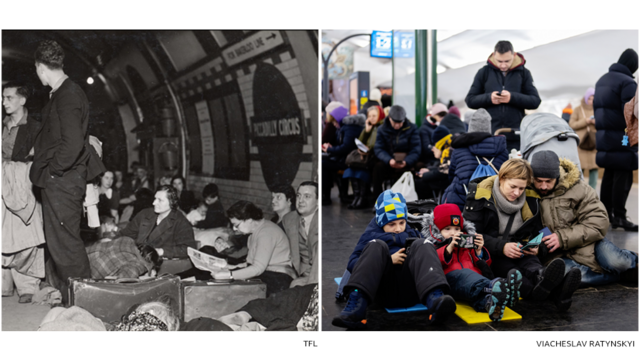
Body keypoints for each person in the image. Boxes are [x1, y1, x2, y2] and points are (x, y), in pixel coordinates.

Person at [29, 40, 105, 303]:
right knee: (62, 244)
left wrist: (54, 171)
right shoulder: (64, 92)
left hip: (62, 180)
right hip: (62, 179)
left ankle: (85, 304)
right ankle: (72, 299)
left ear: (41, 68)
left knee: (67, 246)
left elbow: (72, 143)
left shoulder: (68, 94)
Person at [332, 190, 456, 329]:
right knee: (376, 245)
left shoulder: (412, 232)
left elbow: (428, 259)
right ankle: (356, 310)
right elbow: (353, 263)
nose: (398, 229)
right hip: (382, 291)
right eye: (392, 224)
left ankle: (435, 300)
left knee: (424, 244)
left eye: (402, 222)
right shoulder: (370, 235)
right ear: (381, 222)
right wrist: (387, 261)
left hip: (410, 290)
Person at [462, 159, 571, 308]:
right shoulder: (479, 196)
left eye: (522, 188)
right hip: (492, 254)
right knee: (513, 273)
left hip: (522, 249)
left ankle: (544, 280)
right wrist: (502, 247)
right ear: (501, 179)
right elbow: (472, 235)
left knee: (534, 267)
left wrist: (539, 247)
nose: (517, 193)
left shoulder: (531, 198)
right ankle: (558, 292)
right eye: (513, 187)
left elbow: (539, 230)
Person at [530, 151, 637, 291]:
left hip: (589, 242)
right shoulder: (525, 191)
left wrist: (562, 237)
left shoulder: (579, 189)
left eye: (548, 181)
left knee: (617, 262)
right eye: (539, 181)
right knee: (570, 277)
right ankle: (619, 276)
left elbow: (599, 222)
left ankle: (632, 259)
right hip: (555, 254)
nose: (543, 186)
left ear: (557, 176)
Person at [423, 204, 522, 321]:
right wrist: (449, 248)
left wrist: (479, 251)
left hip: (473, 284)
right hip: (451, 281)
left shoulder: (467, 241)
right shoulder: (433, 244)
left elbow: (484, 265)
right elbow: (433, 263)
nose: (453, 233)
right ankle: (498, 288)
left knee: (480, 297)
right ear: (437, 230)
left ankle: (493, 304)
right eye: (447, 229)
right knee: (465, 274)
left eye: (457, 229)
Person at [2, 82, 45, 304]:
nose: (4, 102)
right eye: (3, 98)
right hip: (3, 185)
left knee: (27, 237)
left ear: (22, 100)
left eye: (9, 97)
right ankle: (4, 284)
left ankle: (27, 286)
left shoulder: (36, 127)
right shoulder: (2, 125)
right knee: (4, 236)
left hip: (25, 185)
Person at [465, 40, 541, 151]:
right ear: (494, 55)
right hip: (490, 134)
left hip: (514, 134)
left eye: (507, 61)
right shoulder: (483, 72)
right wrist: (489, 98)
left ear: (514, 55)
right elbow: (470, 100)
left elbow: (535, 101)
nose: (503, 65)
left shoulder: (524, 73)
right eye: (499, 61)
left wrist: (512, 98)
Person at [210, 200, 296, 296]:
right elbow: (252, 262)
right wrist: (231, 267)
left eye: (236, 225)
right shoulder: (254, 232)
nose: (234, 229)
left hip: (279, 278)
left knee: (229, 288)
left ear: (249, 220)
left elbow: (257, 268)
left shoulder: (266, 233)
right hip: (268, 273)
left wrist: (229, 275)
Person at [594, 48, 638, 231]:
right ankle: (620, 216)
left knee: (610, 175)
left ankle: (606, 214)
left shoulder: (602, 80)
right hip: (623, 137)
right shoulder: (627, 83)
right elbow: (630, 114)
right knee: (624, 173)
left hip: (604, 137)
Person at [442, 108, 509, 211]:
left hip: (461, 201)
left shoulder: (459, 149)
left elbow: (452, 175)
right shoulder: (502, 150)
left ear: (470, 127)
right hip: (492, 202)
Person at [119, 185, 196, 259]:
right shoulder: (145, 214)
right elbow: (126, 233)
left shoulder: (180, 222)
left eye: (160, 200)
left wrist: (161, 251)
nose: (154, 203)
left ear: (172, 203)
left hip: (158, 262)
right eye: (155, 198)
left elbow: (188, 249)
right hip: (136, 256)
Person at [372, 105, 421, 199]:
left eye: (400, 122)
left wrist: (407, 161)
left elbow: (416, 149)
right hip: (389, 161)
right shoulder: (382, 129)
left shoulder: (412, 128)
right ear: (389, 118)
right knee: (377, 168)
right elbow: (379, 149)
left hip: (407, 161)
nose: (397, 125)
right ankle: (378, 201)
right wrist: (389, 160)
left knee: (420, 166)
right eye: (395, 122)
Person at [343, 105, 385, 209]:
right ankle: (357, 197)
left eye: (374, 115)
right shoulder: (369, 127)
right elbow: (360, 141)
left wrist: (369, 148)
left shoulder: (382, 128)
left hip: (374, 157)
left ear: (380, 115)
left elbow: (379, 144)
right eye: (369, 116)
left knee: (361, 169)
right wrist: (366, 131)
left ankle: (362, 198)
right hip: (365, 156)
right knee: (352, 168)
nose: (371, 118)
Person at [322, 112, 365, 205]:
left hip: (348, 159)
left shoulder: (349, 128)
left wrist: (329, 149)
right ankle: (330, 195)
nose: (334, 124)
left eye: (334, 122)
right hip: (346, 158)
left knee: (323, 164)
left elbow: (346, 147)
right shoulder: (348, 127)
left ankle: (325, 196)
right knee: (324, 163)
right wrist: (331, 147)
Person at [282, 181, 319, 288]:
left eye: (307, 196)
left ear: (318, 201)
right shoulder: (289, 219)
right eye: (299, 196)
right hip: (300, 272)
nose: (301, 201)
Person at [569, 88, 598, 189]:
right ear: (586, 98)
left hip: (594, 143)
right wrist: (585, 121)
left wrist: (596, 122)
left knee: (594, 169)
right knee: (579, 169)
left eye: (594, 98)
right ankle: (579, 190)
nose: (591, 100)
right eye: (589, 98)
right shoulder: (578, 109)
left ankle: (592, 192)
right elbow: (571, 124)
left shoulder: (598, 109)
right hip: (581, 144)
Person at [415, 126, 452, 200]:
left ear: (438, 142)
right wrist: (429, 170)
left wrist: (425, 175)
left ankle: (427, 206)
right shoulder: (449, 147)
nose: (432, 148)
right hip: (448, 180)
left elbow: (443, 172)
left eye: (434, 144)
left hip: (448, 181)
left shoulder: (448, 151)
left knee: (420, 184)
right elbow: (443, 168)